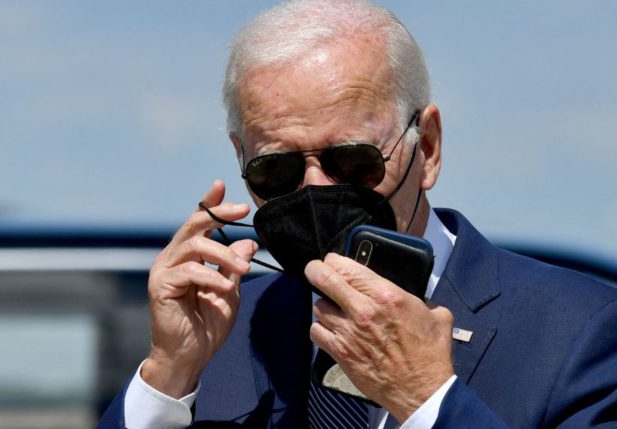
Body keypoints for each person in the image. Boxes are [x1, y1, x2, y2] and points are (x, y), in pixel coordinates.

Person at [99, 0, 617, 427]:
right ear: (241, 161)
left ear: (428, 149)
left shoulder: (580, 330)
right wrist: (167, 377)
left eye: (350, 161)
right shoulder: (221, 335)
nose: (316, 190)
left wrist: (428, 399)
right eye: (275, 171)